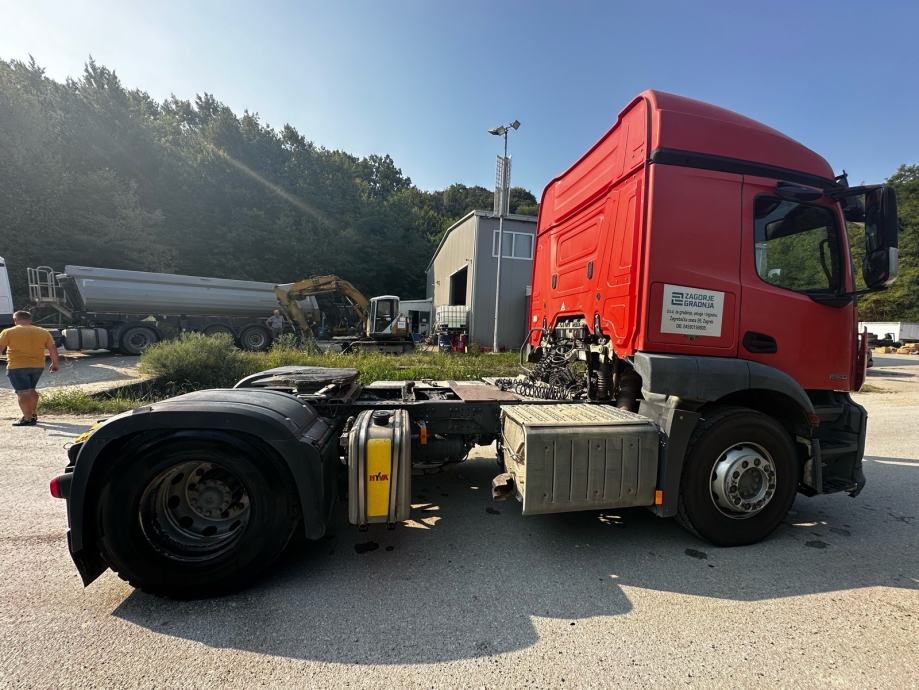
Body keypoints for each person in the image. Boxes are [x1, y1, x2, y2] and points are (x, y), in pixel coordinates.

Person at [0, 310, 59, 426]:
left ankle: (27, 418)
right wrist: (55, 363)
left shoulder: (8, 332)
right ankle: (33, 414)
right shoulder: (43, 332)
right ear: (30, 320)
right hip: (37, 366)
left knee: (23, 393)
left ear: (15, 320)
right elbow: (52, 349)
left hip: (17, 366)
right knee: (31, 390)